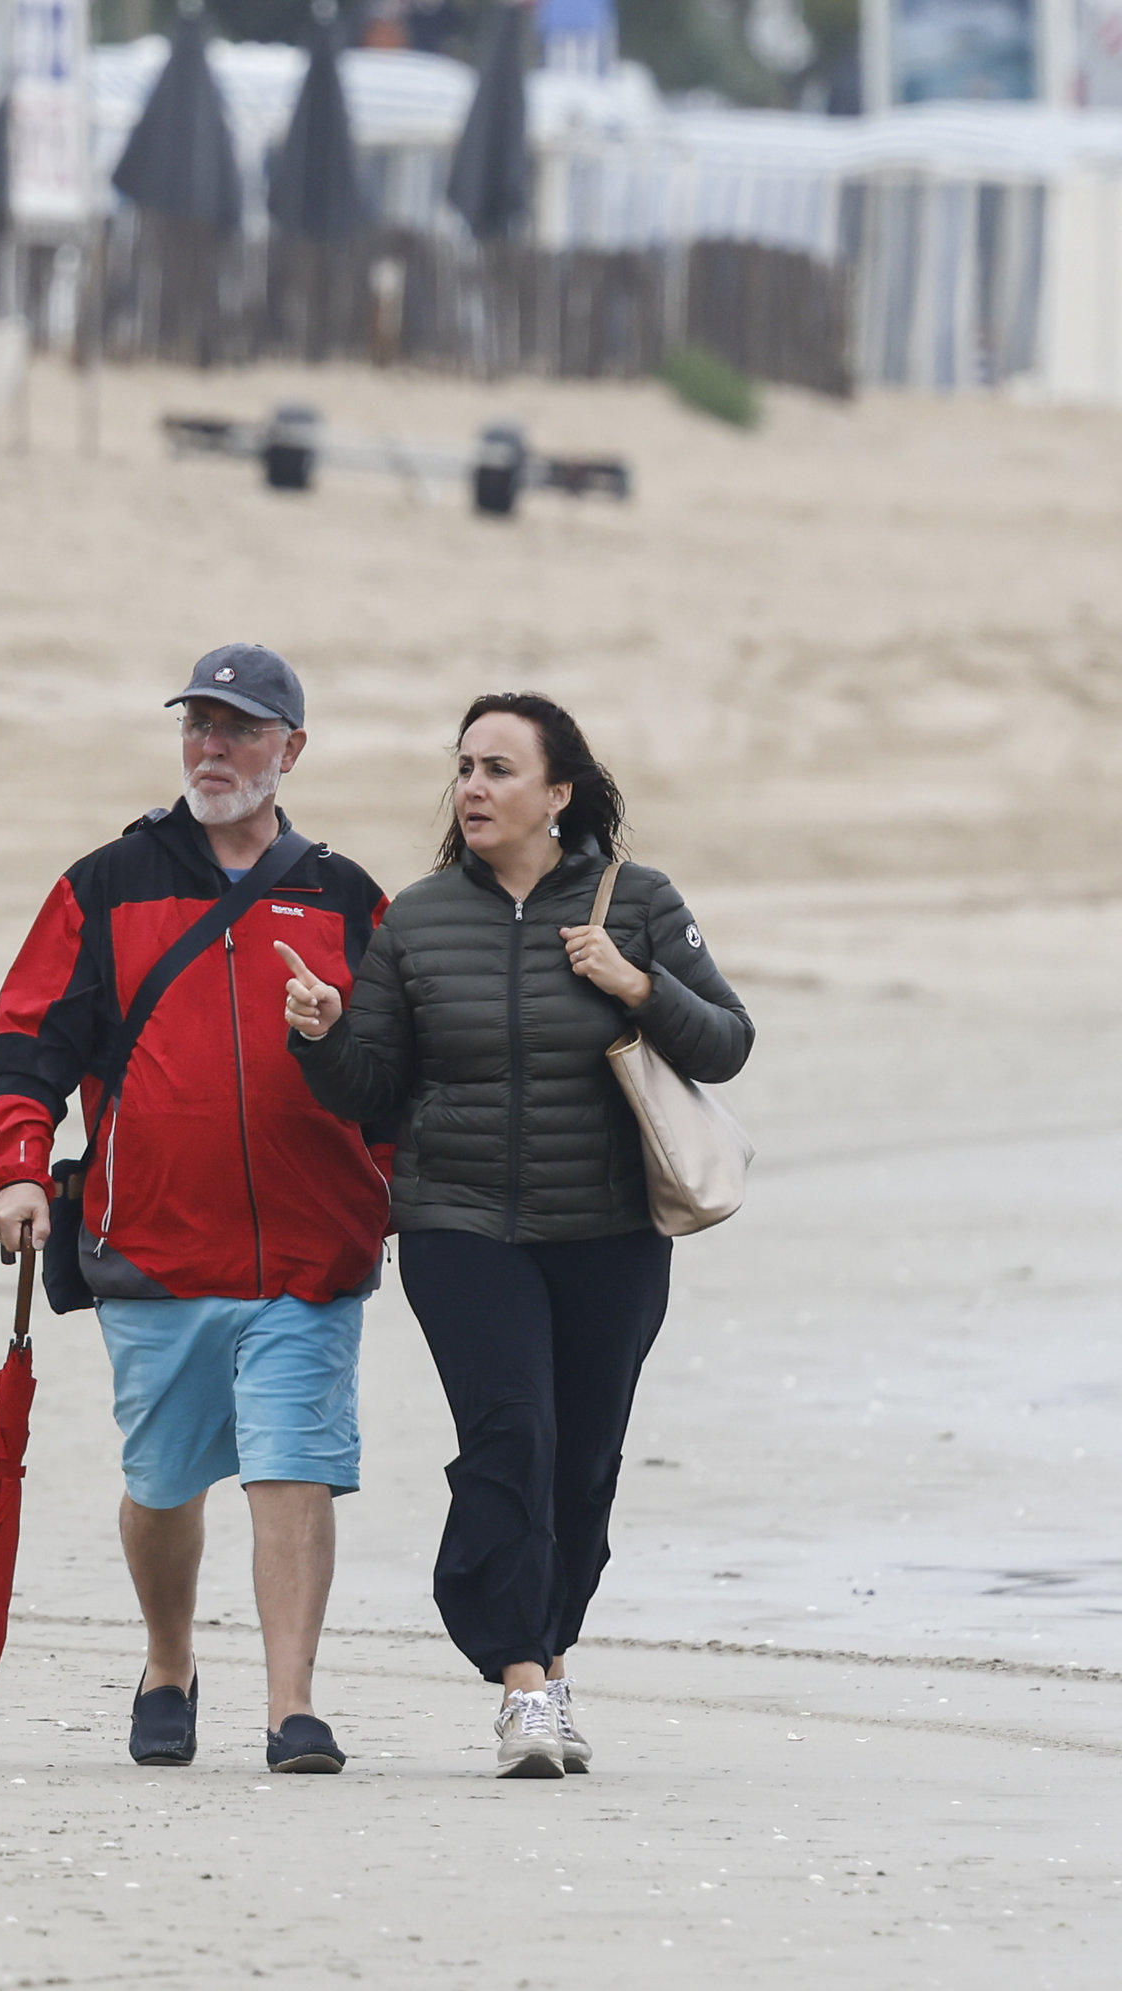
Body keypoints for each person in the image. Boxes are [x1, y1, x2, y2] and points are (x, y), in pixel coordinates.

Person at [280, 691, 751, 1780]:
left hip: (610, 1228)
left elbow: (726, 1042)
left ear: (558, 792)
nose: (473, 787)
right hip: (459, 1223)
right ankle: (521, 1681)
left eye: (498, 768)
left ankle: (549, 1644)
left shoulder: (636, 903)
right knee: (512, 1437)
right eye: (463, 767)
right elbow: (373, 1090)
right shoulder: (419, 916)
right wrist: (321, 1035)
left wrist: (636, 982)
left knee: (582, 1459)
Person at [0, 646, 396, 1774]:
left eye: (240, 727)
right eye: (198, 725)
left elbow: (399, 1066)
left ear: (289, 748)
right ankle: (169, 1659)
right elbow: (28, 1040)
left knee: (291, 1461)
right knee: (163, 1479)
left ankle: (290, 1706)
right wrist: (18, 1166)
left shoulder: (345, 896)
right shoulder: (105, 883)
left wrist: (406, 1184)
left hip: (311, 1245)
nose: (212, 746)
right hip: (156, 1244)